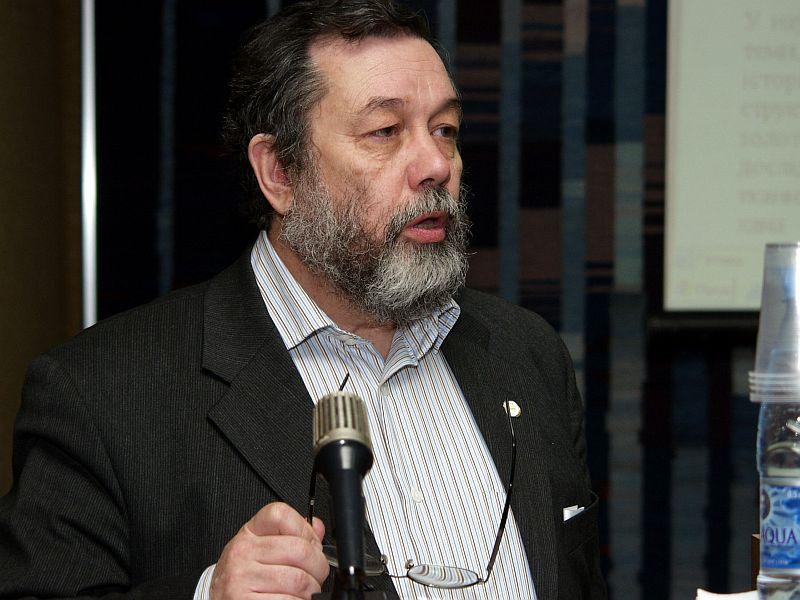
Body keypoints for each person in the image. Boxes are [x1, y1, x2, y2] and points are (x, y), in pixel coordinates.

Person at [0, 1, 605, 599]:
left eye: (444, 130)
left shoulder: (526, 354)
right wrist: (207, 596)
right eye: (386, 132)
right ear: (279, 173)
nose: (435, 165)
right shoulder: (102, 392)